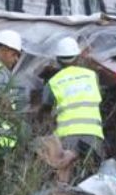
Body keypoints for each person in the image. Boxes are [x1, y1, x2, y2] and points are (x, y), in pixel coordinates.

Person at [40, 36, 105, 183]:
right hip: (93, 135)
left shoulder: (53, 82)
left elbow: (45, 110)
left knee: (67, 180)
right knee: (92, 181)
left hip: (68, 137)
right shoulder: (92, 76)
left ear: (58, 59)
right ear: (77, 57)